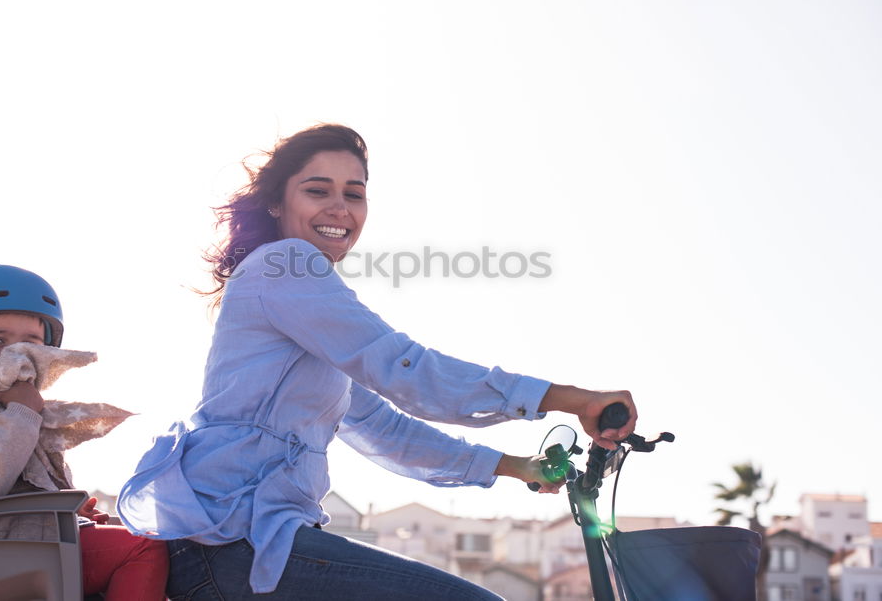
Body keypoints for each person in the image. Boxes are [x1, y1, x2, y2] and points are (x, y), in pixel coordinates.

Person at [117, 124, 638, 600]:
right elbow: (405, 368)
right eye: (318, 190)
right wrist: (574, 400)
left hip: (238, 544)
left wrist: (511, 466)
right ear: (276, 203)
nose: (340, 208)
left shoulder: (303, 303)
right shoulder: (286, 265)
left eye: (355, 194)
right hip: (234, 544)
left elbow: (383, 429)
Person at [0, 264, 169, 601]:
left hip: (35, 541)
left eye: (30, 343)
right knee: (143, 548)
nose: (15, 355)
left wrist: (70, 511)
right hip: (9, 553)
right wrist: (22, 412)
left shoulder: (22, 410)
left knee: (158, 534)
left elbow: (22, 487)